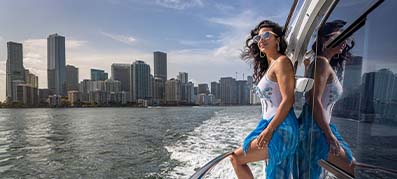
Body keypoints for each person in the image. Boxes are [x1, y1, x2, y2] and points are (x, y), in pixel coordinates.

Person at [229, 20, 298, 179]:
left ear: (277, 40)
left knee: (236, 158)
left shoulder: (282, 62)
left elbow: (288, 99)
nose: (261, 40)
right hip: (271, 125)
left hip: (281, 127)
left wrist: (269, 130)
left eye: (266, 35)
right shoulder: (271, 66)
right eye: (258, 38)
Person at [295, 20, 356, 179]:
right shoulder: (321, 63)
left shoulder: (321, 63)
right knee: (350, 168)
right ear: (323, 39)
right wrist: (330, 136)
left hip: (316, 127)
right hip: (316, 130)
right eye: (339, 37)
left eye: (346, 38)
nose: (344, 42)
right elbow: (313, 100)